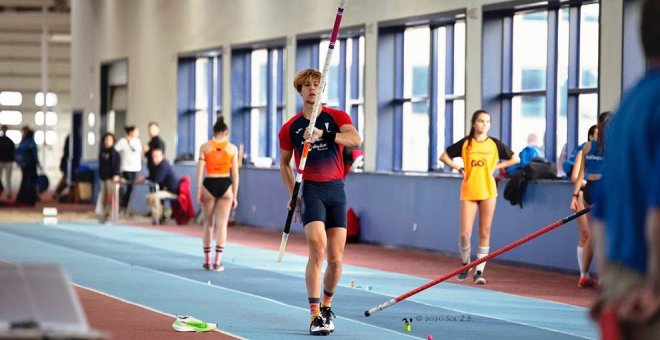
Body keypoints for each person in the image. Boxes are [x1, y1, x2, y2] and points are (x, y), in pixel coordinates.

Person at [591, 1, 660, 337]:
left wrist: (610, 287)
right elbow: (657, 215)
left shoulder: (627, 106)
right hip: (649, 288)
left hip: (622, 280)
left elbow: (600, 214)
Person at [278, 68, 362, 336]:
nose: (312, 88)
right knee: (318, 249)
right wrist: (294, 195)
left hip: (336, 190)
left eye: (317, 84)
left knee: (336, 260)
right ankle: (315, 316)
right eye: (307, 85)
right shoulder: (290, 128)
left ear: (322, 88)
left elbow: (356, 139)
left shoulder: (336, 117)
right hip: (311, 191)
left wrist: (322, 135)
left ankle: (326, 306)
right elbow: (283, 164)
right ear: (300, 91)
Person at [439, 110, 520, 285]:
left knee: (484, 232)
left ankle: (479, 271)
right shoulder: (466, 144)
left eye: (487, 121)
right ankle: (465, 263)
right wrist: (458, 168)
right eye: (481, 121)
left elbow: (516, 159)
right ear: (474, 123)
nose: (484, 124)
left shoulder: (494, 144)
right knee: (464, 234)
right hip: (469, 190)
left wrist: (498, 167)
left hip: (488, 191)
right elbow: (443, 156)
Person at [569, 112, 610, 288]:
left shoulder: (588, 146)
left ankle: (585, 275)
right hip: (599, 191)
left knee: (594, 235)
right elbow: (579, 175)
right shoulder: (592, 147)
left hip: (591, 190)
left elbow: (580, 176)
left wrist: (576, 195)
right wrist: (574, 196)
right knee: (602, 235)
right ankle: (599, 277)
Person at [196, 116, 239, 271]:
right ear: (226, 132)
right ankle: (217, 262)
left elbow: (199, 171)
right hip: (225, 185)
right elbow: (235, 175)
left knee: (208, 224)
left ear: (213, 132)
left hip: (209, 183)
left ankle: (207, 261)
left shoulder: (205, 147)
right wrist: (235, 195)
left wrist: (199, 189)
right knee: (222, 225)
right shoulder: (232, 148)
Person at [565, 124, 597, 288]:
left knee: (597, 235)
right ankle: (584, 273)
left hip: (599, 195)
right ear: (590, 137)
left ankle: (592, 274)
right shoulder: (583, 151)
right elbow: (575, 177)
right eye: (596, 135)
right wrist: (587, 184)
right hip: (585, 194)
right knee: (585, 234)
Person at [146, 147, 178, 225]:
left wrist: (149, 178)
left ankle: (159, 218)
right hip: (165, 190)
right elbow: (153, 177)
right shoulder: (158, 166)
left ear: (162, 156)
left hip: (171, 191)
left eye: (156, 156)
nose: (154, 159)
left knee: (153, 196)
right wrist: (145, 178)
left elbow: (157, 179)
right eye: (153, 156)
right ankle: (159, 216)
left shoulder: (164, 165)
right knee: (149, 196)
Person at [114, 126, 142, 212]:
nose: (138, 133)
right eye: (136, 131)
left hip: (135, 168)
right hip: (126, 168)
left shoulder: (137, 141)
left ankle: (126, 206)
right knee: (126, 187)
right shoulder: (122, 141)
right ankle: (122, 204)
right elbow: (115, 150)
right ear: (131, 132)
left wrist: (130, 142)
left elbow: (138, 150)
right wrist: (126, 140)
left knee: (131, 188)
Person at [98, 133, 120, 223]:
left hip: (110, 178)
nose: (107, 142)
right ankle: (104, 214)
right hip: (103, 177)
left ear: (113, 141)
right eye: (106, 140)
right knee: (103, 197)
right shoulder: (102, 152)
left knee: (110, 197)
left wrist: (116, 174)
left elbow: (116, 165)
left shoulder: (115, 153)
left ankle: (110, 214)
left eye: (110, 140)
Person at [14, 126, 39, 206]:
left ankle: (21, 197)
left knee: (24, 180)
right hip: (31, 165)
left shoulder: (23, 142)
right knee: (31, 181)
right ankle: (30, 198)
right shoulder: (31, 142)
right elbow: (34, 155)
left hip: (24, 165)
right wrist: (37, 163)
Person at [0, 125, 16, 200]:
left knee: (8, 178)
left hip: (8, 161)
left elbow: (14, 151)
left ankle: (8, 193)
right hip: (0, 161)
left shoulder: (10, 141)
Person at [53, 135, 70, 201]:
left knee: (65, 179)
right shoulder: (70, 138)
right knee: (65, 179)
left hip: (65, 162)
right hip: (66, 163)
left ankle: (57, 192)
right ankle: (57, 191)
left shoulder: (69, 138)